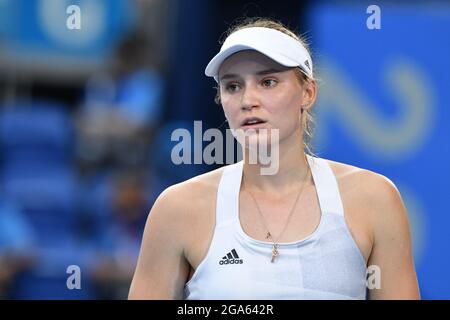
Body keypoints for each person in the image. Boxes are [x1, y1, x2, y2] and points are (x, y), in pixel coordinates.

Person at [128, 18, 420, 300]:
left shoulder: (375, 199)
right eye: (233, 86)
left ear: (308, 93)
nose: (247, 100)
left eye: (267, 82)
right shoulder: (177, 209)